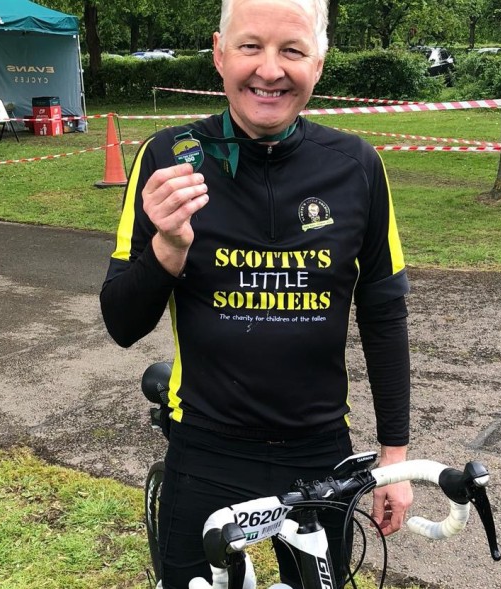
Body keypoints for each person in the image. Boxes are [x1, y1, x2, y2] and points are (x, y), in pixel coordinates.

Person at [100, 0, 412, 586]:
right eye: (250, 47)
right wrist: (168, 248)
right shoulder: (168, 159)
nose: (270, 70)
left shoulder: (356, 166)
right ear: (219, 55)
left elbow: (383, 314)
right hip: (206, 448)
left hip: (319, 453)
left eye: (292, 50)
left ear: (318, 62)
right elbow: (121, 322)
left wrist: (394, 459)